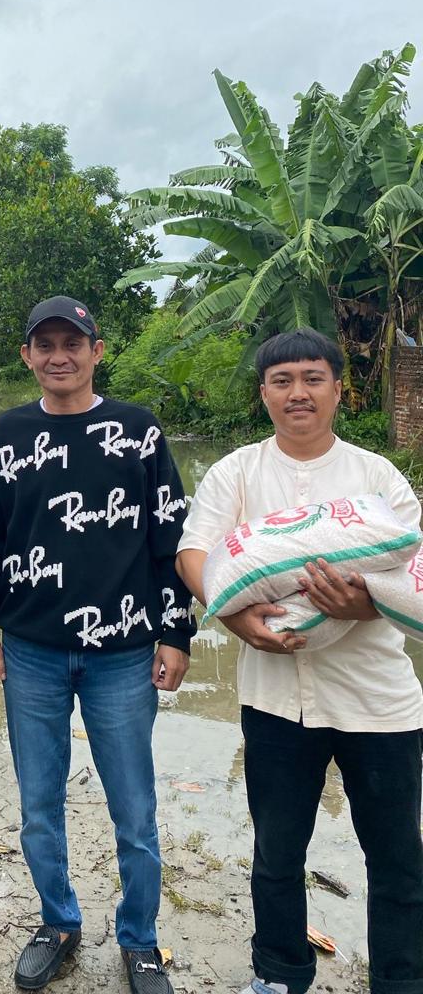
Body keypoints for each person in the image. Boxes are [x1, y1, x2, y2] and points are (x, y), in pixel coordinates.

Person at [176, 326, 423, 994]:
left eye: (313, 379)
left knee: (398, 861)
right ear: (263, 394)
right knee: (277, 853)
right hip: (276, 700)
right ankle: (280, 974)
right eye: (282, 381)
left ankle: (400, 981)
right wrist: (230, 612)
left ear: (340, 389)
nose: (298, 393)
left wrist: (364, 604)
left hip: (378, 702)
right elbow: (194, 552)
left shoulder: (378, 477)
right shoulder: (236, 473)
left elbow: (414, 568)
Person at [0, 295, 194, 993]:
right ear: (28, 355)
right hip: (30, 649)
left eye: (73, 343)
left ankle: (140, 939)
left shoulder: (138, 431)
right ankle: (58, 923)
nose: (59, 356)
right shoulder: (10, 432)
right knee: (39, 805)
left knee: (134, 809)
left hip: (123, 652)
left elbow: (169, 538)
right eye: (46, 345)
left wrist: (176, 631)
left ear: (97, 351)